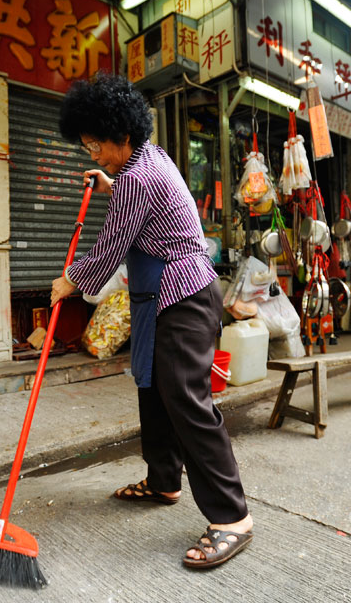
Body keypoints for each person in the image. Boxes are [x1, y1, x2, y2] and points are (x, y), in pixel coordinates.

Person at [51, 73, 253, 569]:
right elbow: (131, 199)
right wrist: (109, 182)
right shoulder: (148, 157)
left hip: (182, 299)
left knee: (187, 401)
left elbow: (109, 250)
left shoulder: (138, 179)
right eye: (88, 148)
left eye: (97, 146)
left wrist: (69, 282)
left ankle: (232, 518)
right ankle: (164, 482)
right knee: (152, 387)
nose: (93, 156)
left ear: (122, 135)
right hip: (157, 297)